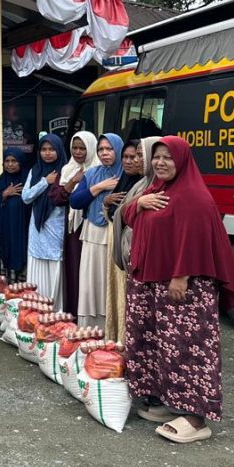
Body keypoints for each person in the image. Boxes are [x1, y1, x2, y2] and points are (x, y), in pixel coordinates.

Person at [125, 137, 234, 444]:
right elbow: (127, 217)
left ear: (182, 160)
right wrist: (138, 204)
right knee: (156, 342)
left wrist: (181, 275)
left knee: (187, 348)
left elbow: (197, 237)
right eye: (156, 157)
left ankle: (196, 417)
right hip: (151, 281)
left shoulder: (193, 195)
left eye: (168, 157)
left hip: (181, 285)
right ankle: (167, 402)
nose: (160, 163)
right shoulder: (157, 189)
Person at [68, 133, 124, 327]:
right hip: (92, 232)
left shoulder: (127, 174)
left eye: (109, 149)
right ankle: (90, 326)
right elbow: (75, 201)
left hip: (114, 234)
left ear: (118, 149)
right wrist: (99, 187)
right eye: (101, 149)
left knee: (111, 281)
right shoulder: (92, 174)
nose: (104, 153)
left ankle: (112, 325)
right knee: (92, 281)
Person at [105, 138, 155, 342]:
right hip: (127, 251)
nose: (133, 161)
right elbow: (121, 213)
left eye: (139, 155)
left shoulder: (154, 185)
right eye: (128, 157)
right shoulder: (139, 183)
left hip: (143, 255)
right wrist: (107, 201)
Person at [50, 130, 99, 317]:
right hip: (72, 230)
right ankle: (74, 315)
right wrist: (73, 181)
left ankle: (91, 316)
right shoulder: (67, 169)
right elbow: (56, 198)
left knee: (91, 273)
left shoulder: (99, 168)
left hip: (92, 226)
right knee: (73, 271)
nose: (78, 152)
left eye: (82, 148)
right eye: (75, 148)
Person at [22, 135, 68, 309]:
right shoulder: (35, 170)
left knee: (56, 268)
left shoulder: (66, 170)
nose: (47, 153)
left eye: (51, 149)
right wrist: (44, 182)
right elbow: (26, 197)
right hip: (38, 228)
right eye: (43, 149)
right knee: (38, 269)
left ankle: (56, 310)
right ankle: (36, 310)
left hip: (57, 227)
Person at [0, 148, 30, 282]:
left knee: (23, 260)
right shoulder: (0, 182)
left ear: (21, 162)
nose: (10, 164)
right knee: (5, 262)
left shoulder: (28, 180)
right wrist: (4, 194)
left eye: (14, 161)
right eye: (7, 161)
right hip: (5, 231)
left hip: (23, 231)